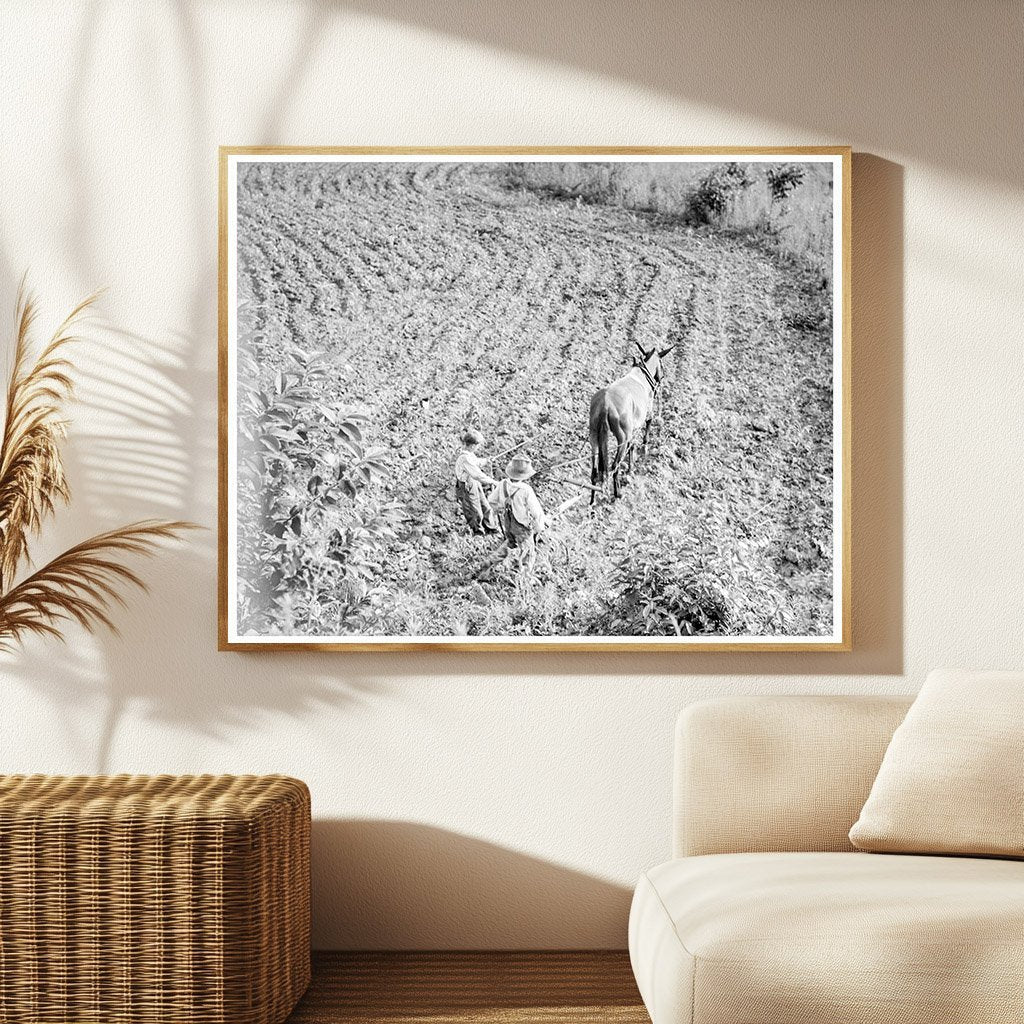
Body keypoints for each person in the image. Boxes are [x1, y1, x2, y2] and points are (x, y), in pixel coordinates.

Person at [490, 455, 548, 566]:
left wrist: (498, 509)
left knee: (510, 544)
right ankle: (524, 576)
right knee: (527, 551)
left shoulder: (503, 484)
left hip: (507, 523)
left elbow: (491, 500)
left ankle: (489, 564)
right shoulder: (526, 490)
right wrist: (539, 527)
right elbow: (536, 511)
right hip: (521, 526)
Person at [454, 429, 499, 534]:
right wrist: (492, 482)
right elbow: (477, 475)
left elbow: (476, 462)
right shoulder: (464, 458)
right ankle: (477, 531)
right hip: (466, 486)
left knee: (485, 506)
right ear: (473, 446)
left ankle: (490, 527)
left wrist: (486, 460)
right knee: (475, 511)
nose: (478, 448)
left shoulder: (469, 455)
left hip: (474, 482)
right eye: (478, 445)